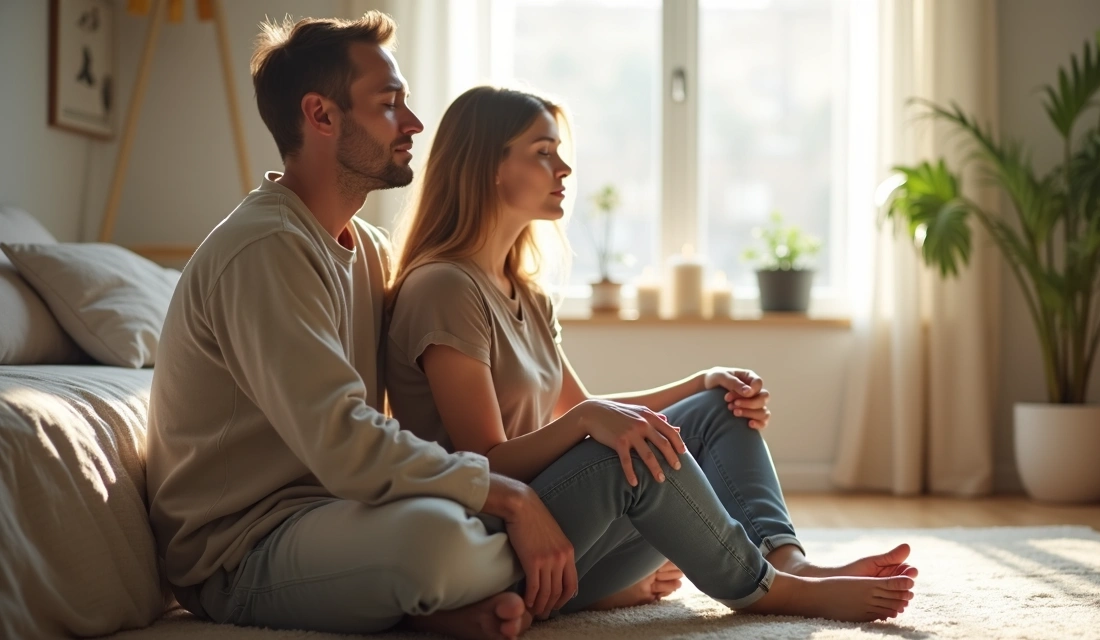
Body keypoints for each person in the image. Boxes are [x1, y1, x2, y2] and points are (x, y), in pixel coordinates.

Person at [384, 85, 920, 624]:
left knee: (714, 408)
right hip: (501, 532)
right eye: (543, 152)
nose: (564, 168)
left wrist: (700, 384)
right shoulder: (444, 288)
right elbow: (482, 462)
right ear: (487, 167)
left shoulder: (523, 290)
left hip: (562, 528)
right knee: (632, 452)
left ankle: (789, 564)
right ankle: (768, 590)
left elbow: (581, 408)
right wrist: (592, 420)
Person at [146, 13, 573, 640]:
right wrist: (510, 495)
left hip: (343, 513)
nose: (415, 124)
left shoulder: (368, 250)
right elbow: (344, 440)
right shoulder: (263, 248)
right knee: (441, 541)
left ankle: (437, 606)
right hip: (243, 547)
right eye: (390, 104)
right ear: (321, 115)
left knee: (490, 518)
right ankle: (574, 572)